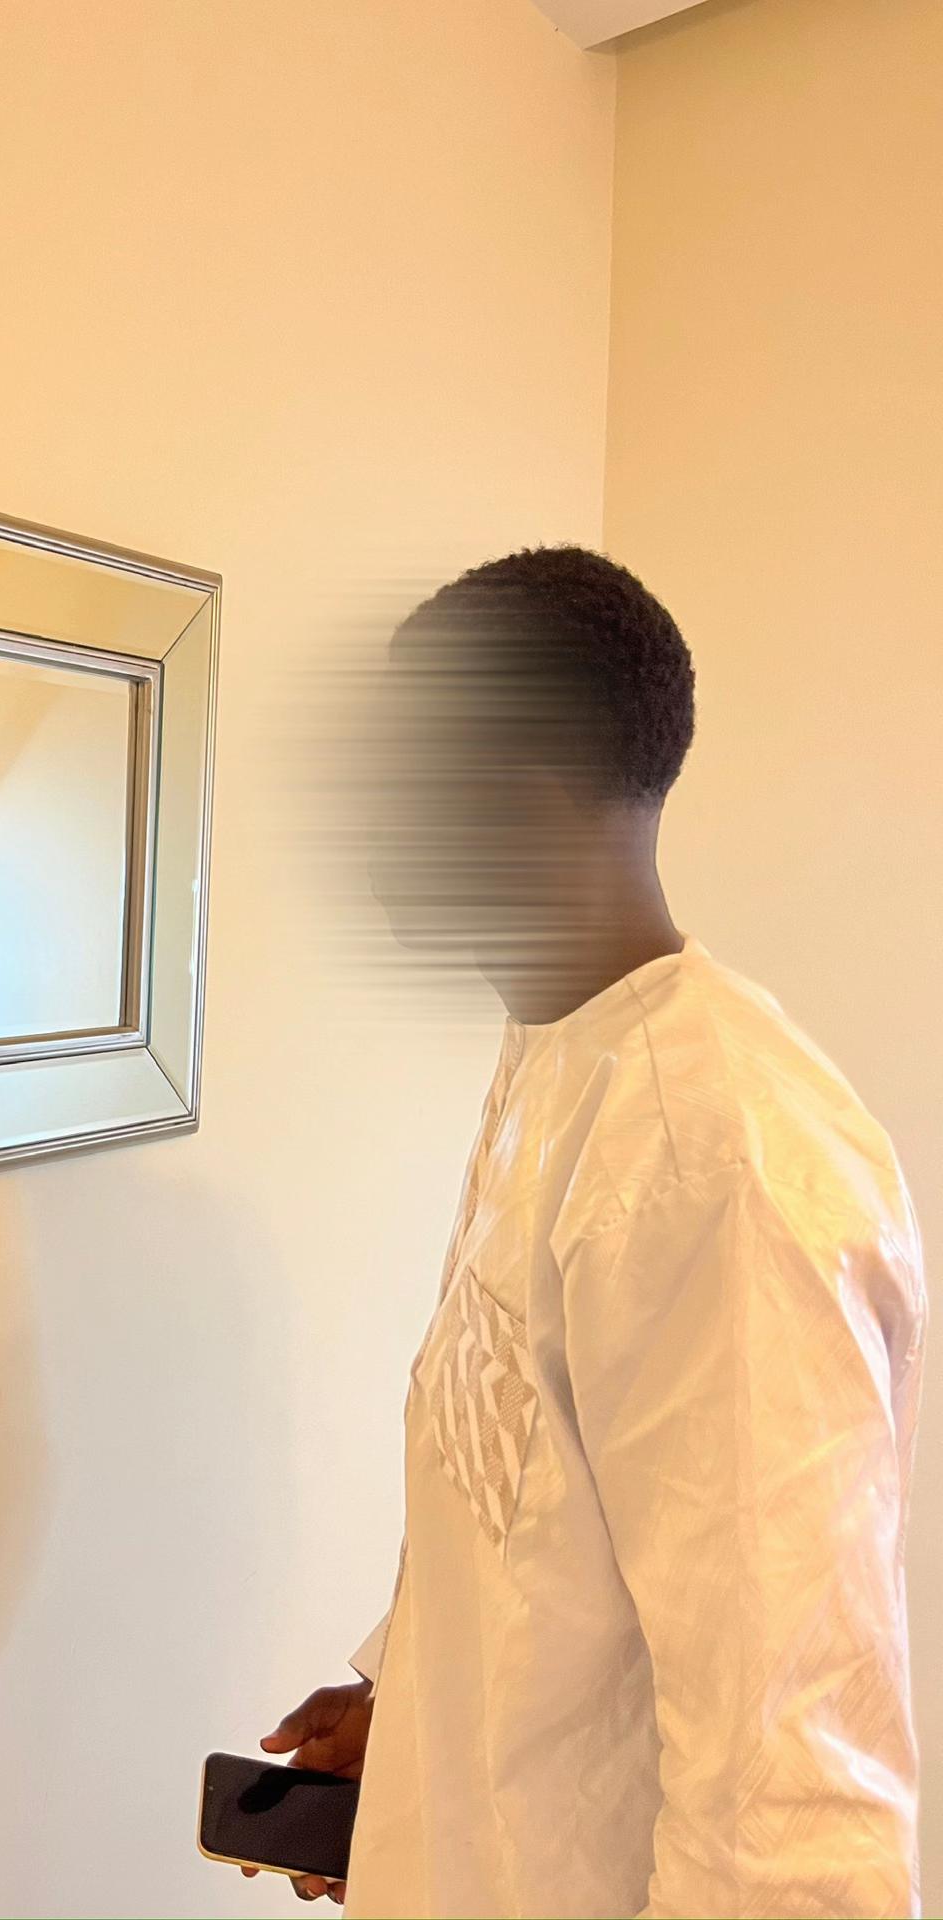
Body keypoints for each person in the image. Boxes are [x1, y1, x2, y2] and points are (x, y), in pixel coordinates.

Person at [251, 549, 926, 1918]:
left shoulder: (715, 1158)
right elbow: (542, 1503)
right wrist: (410, 1703)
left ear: (518, 796)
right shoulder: (562, 1053)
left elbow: (790, 1800)